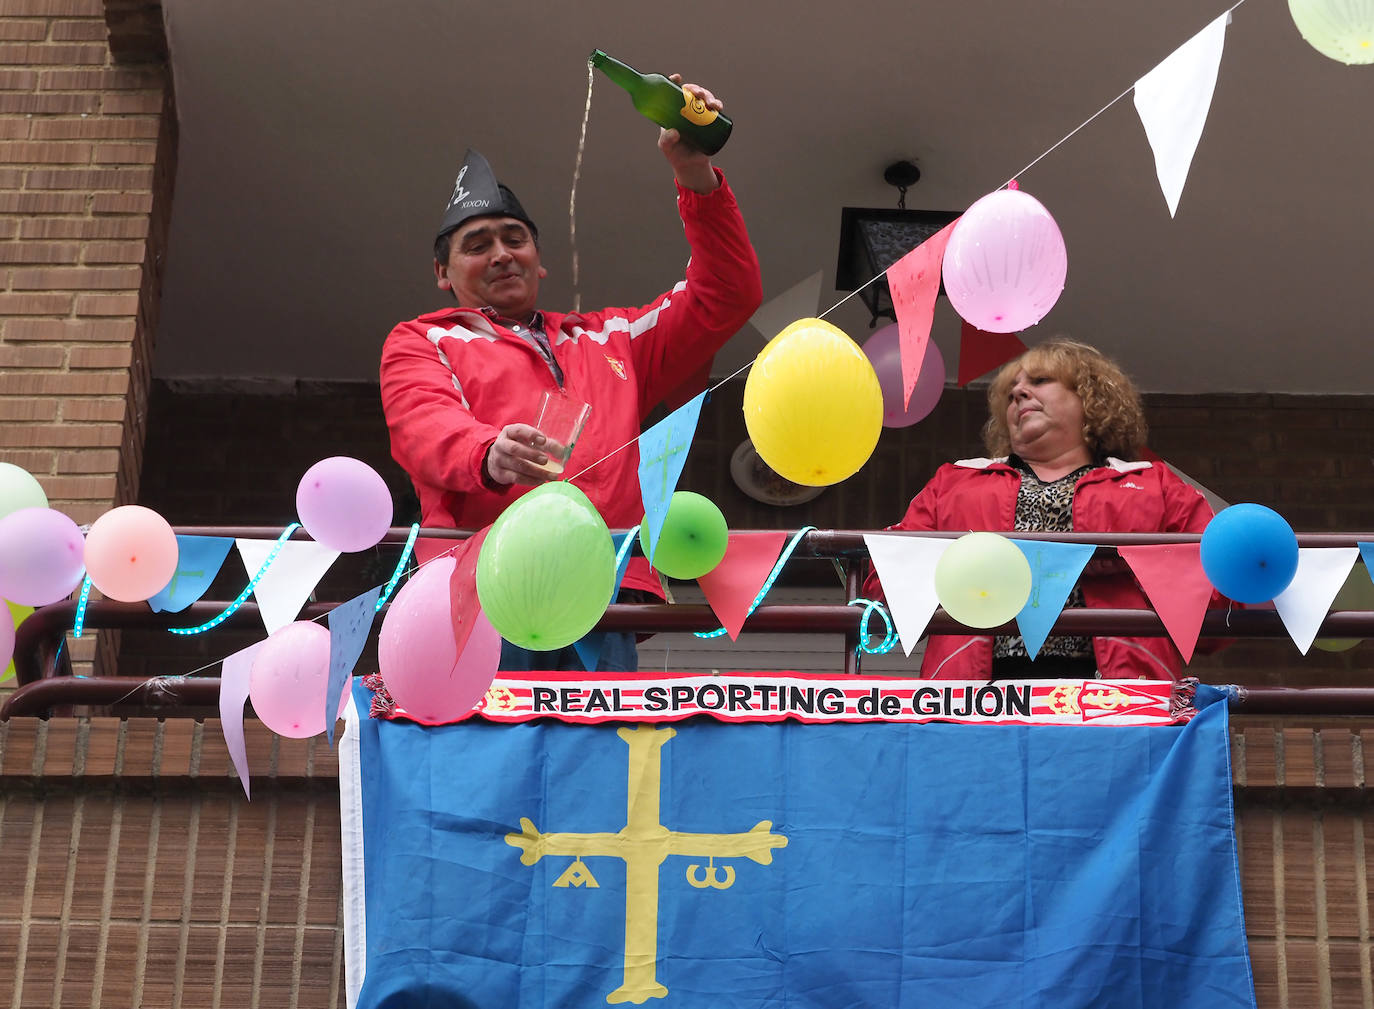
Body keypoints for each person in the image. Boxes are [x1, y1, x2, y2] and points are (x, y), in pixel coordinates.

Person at [380, 78, 762, 672]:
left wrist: (694, 176)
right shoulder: (423, 338)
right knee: (497, 757)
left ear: (540, 259)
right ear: (442, 272)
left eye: (516, 239)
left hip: (601, 587)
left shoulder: (611, 337)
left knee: (601, 758)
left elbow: (727, 295)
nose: (503, 253)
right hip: (482, 583)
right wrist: (489, 452)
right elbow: (423, 427)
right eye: (477, 245)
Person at [865, 339, 1215, 681]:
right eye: (1011, 391)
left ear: (1090, 398)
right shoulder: (954, 481)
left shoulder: (1156, 484)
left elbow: (1219, 606)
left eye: (1040, 381)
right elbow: (884, 594)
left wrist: (1125, 563)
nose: (1018, 393)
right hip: (976, 701)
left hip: (1118, 699)